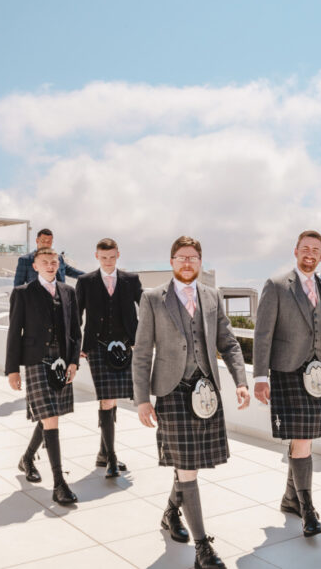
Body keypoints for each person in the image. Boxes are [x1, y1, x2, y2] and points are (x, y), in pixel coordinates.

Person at [133, 236, 250, 569]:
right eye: (182, 257)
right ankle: (203, 549)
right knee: (187, 468)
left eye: (194, 258)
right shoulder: (153, 298)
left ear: (200, 262)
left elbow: (229, 344)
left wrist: (241, 381)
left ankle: (172, 513)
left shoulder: (212, 297)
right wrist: (142, 399)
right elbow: (142, 353)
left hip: (207, 394)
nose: (188, 263)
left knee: (190, 465)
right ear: (172, 261)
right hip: (172, 392)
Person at [253, 230, 321, 537]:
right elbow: (263, 334)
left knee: (305, 437)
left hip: (320, 374)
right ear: (295, 251)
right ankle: (308, 510)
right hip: (289, 372)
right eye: (305, 248)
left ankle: (291, 499)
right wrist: (261, 376)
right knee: (304, 437)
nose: (310, 253)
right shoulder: (277, 285)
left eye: (315, 249)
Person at [5, 247, 82, 504]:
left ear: (59, 265)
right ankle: (59, 483)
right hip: (36, 361)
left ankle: (27, 458)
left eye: (54, 262)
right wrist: (13, 369)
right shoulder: (23, 293)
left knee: (50, 414)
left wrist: (73, 362)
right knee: (50, 417)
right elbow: (14, 332)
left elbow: (75, 331)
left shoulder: (69, 292)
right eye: (44, 262)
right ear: (35, 266)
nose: (50, 265)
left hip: (62, 361)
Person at [75, 238, 143, 477]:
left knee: (113, 398)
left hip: (124, 347)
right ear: (96, 256)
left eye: (112, 257)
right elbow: (76, 316)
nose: (108, 261)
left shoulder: (131, 280)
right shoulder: (85, 282)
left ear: (118, 255)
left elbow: (146, 308)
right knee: (107, 399)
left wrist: (142, 339)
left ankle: (103, 454)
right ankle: (112, 458)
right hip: (96, 347)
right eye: (104, 257)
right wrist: (77, 347)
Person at [14, 228, 85, 286]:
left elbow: (72, 272)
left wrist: (92, 277)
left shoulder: (59, 258)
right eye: (43, 241)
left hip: (59, 300)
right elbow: (18, 286)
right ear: (37, 240)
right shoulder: (26, 260)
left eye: (49, 242)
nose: (46, 244)